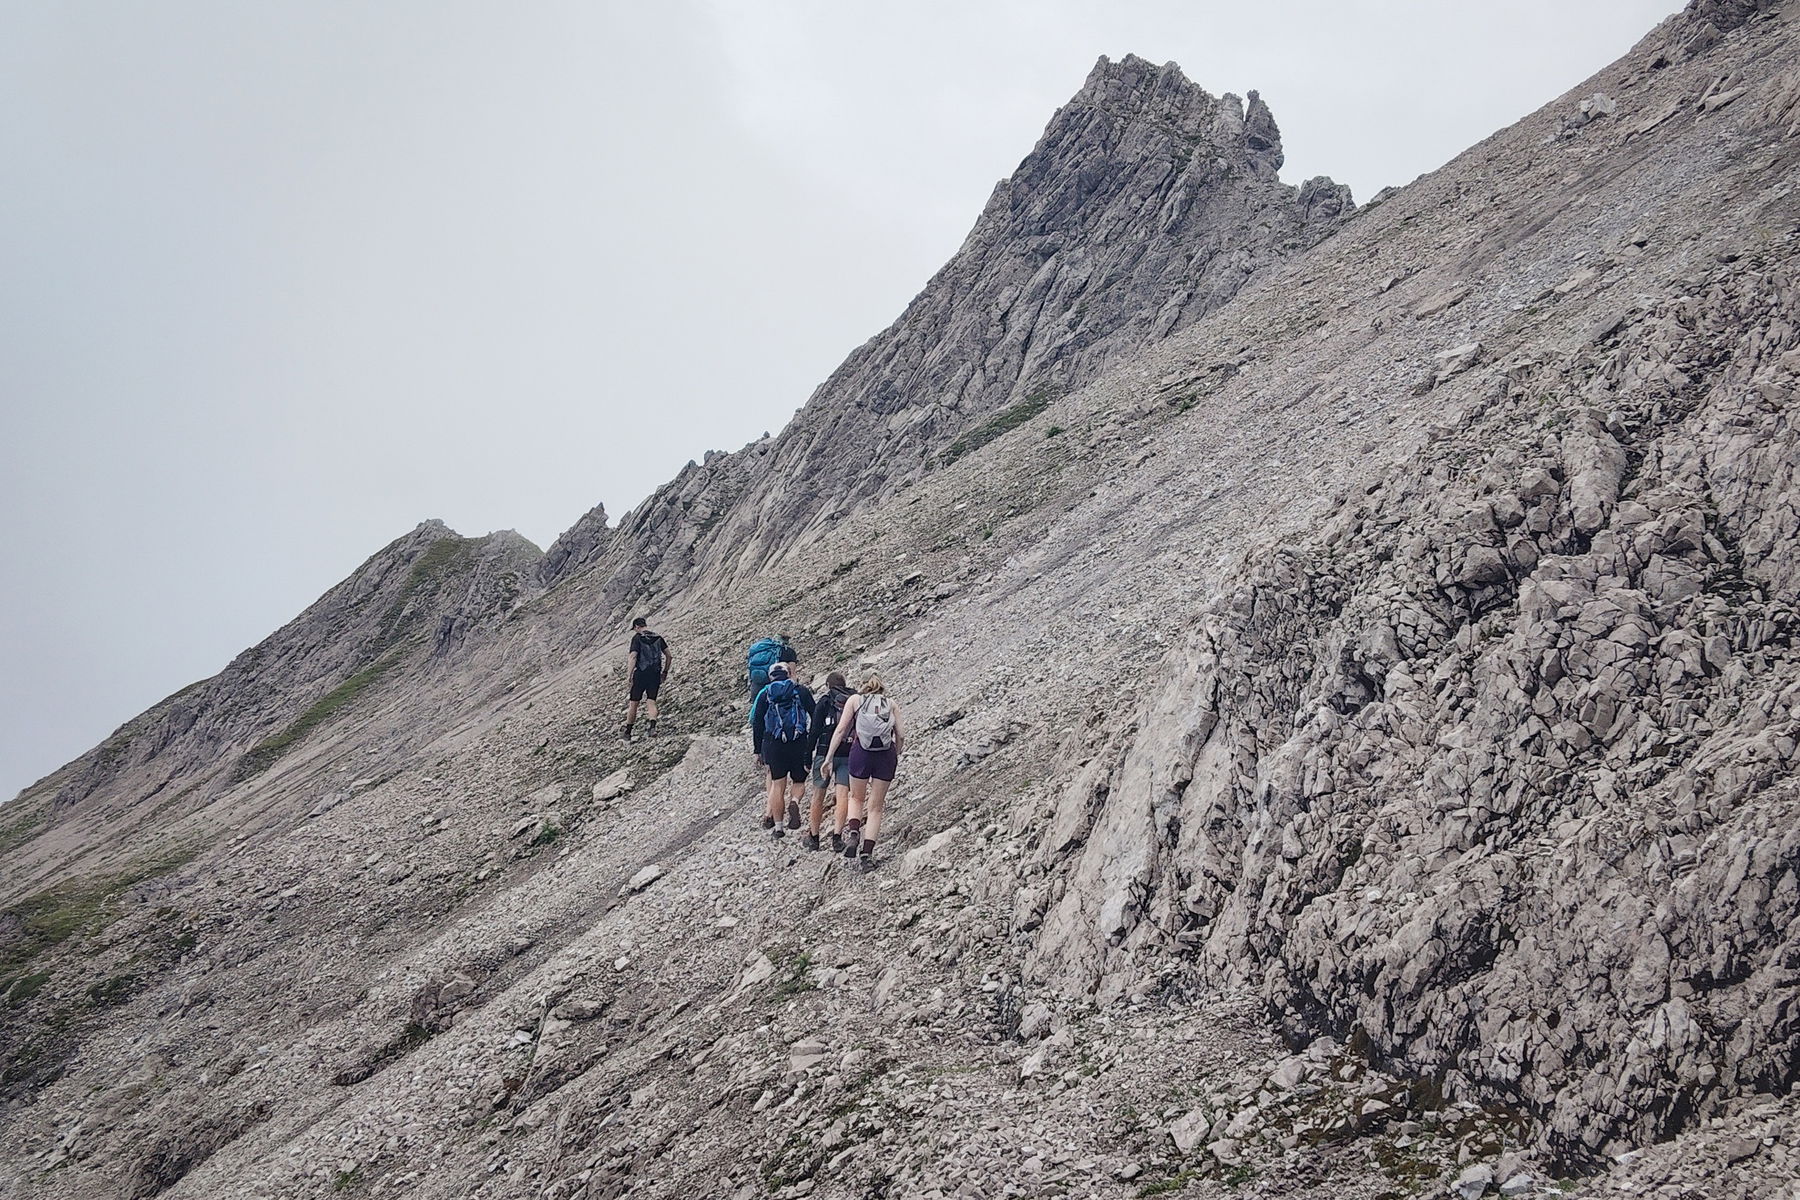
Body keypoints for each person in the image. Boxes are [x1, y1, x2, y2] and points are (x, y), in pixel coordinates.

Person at [819, 674, 904, 871]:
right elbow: (901, 734)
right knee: (876, 807)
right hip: (885, 756)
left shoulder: (855, 700)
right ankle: (866, 855)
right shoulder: (891, 704)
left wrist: (828, 757)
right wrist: (896, 752)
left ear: (863, 684)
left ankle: (854, 833)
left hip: (860, 753)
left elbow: (841, 730)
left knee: (856, 798)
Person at [749, 663, 814, 838]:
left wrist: (757, 750)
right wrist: (812, 742)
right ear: (788, 674)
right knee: (799, 781)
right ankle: (795, 801)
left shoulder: (765, 694)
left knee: (777, 785)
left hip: (774, 744)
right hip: (799, 742)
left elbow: (757, 723)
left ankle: (778, 828)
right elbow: (814, 714)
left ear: (770, 676)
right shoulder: (800, 691)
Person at [804, 671, 854, 851]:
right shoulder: (853, 700)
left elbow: (814, 731)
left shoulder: (825, 701)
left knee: (818, 794)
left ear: (828, 685)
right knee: (843, 795)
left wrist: (807, 756)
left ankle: (814, 837)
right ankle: (837, 837)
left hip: (824, 754)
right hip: (847, 753)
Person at [624, 617, 671, 740]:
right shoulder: (658, 637)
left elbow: (633, 657)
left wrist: (629, 675)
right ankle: (652, 727)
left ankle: (628, 732)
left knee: (634, 703)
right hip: (655, 674)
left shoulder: (637, 638)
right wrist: (665, 672)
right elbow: (669, 655)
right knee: (651, 701)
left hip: (640, 674)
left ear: (636, 627)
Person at [745, 634, 799, 704]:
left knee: (757, 706)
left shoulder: (761, 650)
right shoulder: (788, 651)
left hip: (757, 685)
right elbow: (792, 674)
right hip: (776, 688)